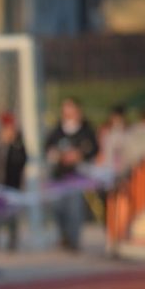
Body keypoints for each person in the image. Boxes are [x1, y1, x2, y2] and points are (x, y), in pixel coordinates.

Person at [44, 96, 99, 251]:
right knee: (58, 208)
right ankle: (63, 236)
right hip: (59, 176)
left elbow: (93, 149)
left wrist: (79, 155)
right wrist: (59, 155)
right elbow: (48, 148)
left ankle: (74, 240)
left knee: (75, 209)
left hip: (77, 177)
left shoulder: (86, 130)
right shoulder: (57, 130)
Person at [0, 110, 27, 249]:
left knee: (11, 216)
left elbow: (20, 162)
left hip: (12, 185)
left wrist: (11, 143)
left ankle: (12, 240)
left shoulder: (18, 145)